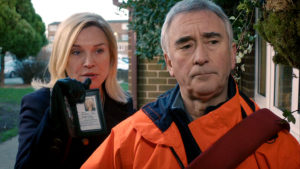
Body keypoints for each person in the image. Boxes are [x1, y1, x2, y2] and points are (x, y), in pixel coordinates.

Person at [81, 0, 300, 169]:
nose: (201, 57)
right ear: (169, 63)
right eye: (186, 46)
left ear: (232, 55)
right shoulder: (132, 137)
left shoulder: (275, 143)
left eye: (213, 42)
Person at [15, 12, 134, 169]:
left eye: (99, 51)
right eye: (76, 52)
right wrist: (53, 123)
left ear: (111, 57)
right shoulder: (39, 103)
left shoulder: (123, 103)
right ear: (62, 58)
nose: (89, 62)